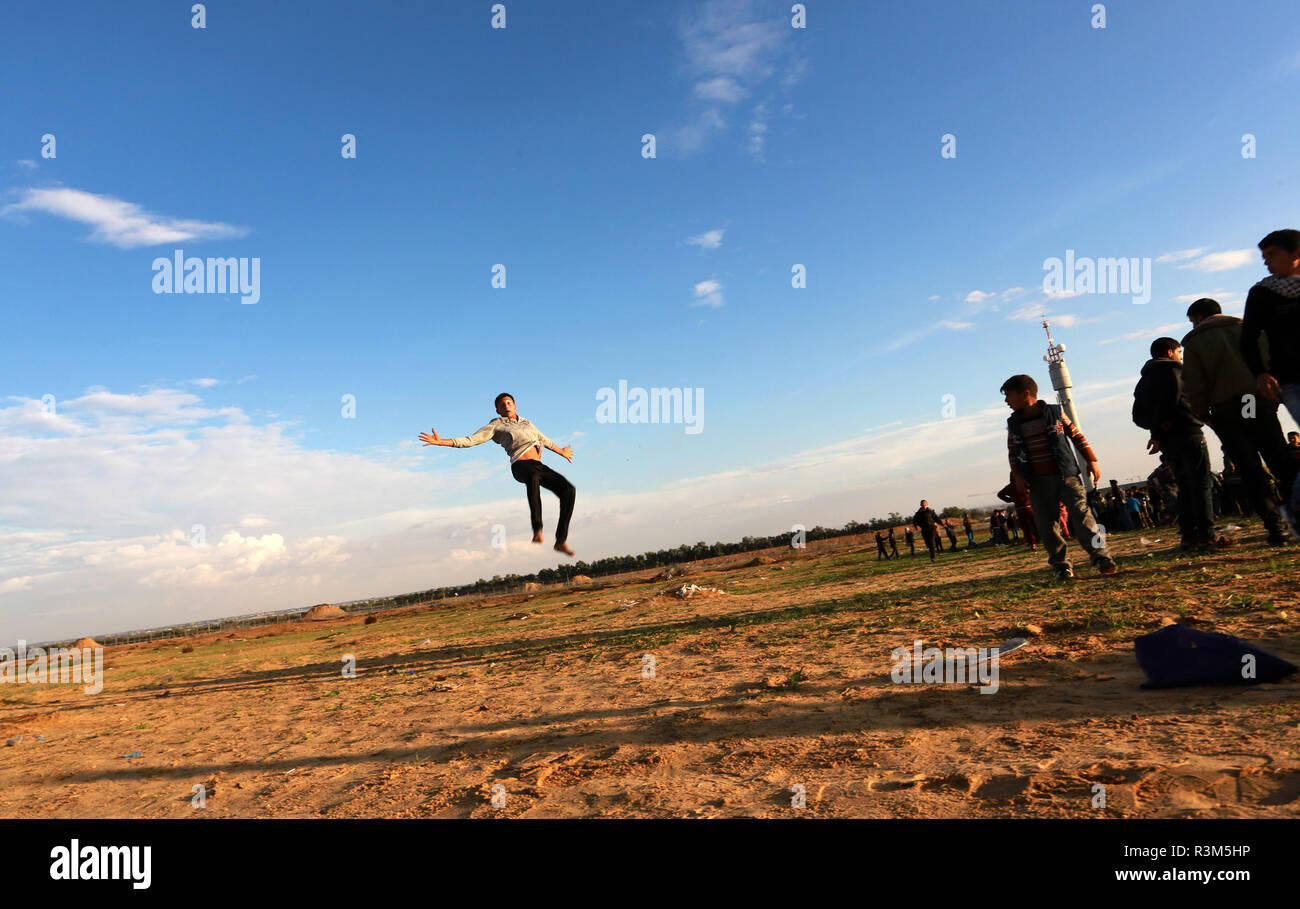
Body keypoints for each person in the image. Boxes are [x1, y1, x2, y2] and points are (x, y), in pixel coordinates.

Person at [1183, 297, 1295, 544]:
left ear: (1199, 318)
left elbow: (1194, 384)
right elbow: (1271, 360)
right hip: (1255, 402)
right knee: (1280, 461)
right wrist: (1275, 397)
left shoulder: (1195, 343)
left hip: (1227, 410)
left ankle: (1275, 527)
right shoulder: (1246, 328)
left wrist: (1203, 415)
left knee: (1250, 469)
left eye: (1192, 321)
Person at [421, 393, 577, 556]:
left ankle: (560, 541)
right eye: (502, 404)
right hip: (520, 465)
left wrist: (562, 451)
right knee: (533, 478)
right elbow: (471, 440)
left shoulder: (526, 423)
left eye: (509, 402)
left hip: (538, 465)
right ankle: (537, 529)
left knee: (568, 490)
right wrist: (443, 442)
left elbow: (543, 439)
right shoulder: (496, 425)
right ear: (498, 410)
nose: (506, 405)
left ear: (515, 405)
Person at [1001, 374, 1118, 580]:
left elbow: (1077, 435)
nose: (1006, 401)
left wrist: (1091, 459)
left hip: (1067, 476)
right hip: (1036, 482)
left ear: (1025, 394)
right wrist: (1017, 476)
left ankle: (1102, 557)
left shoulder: (1056, 413)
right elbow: (1012, 452)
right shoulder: (1014, 424)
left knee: (1084, 517)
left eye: (1009, 395)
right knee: (1047, 525)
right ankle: (1061, 566)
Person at [1132, 337, 1217, 550]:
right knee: (1201, 484)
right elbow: (1174, 400)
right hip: (1187, 431)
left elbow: (1139, 414)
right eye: (1179, 351)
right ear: (1170, 352)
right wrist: (1168, 421)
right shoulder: (1175, 371)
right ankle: (1207, 535)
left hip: (1167, 440)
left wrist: (1157, 430)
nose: (1181, 356)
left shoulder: (1143, 381)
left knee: (1185, 486)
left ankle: (1188, 536)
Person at [1240, 229, 1300, 528]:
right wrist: (1261, 374)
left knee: (1259, 458)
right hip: (1288, 380)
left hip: (1247, 406)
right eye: (1263, 257)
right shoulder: (1263, 294)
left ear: (1296, 254)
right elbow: (1248, 340)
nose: (1266, 262)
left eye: (1272, 255)